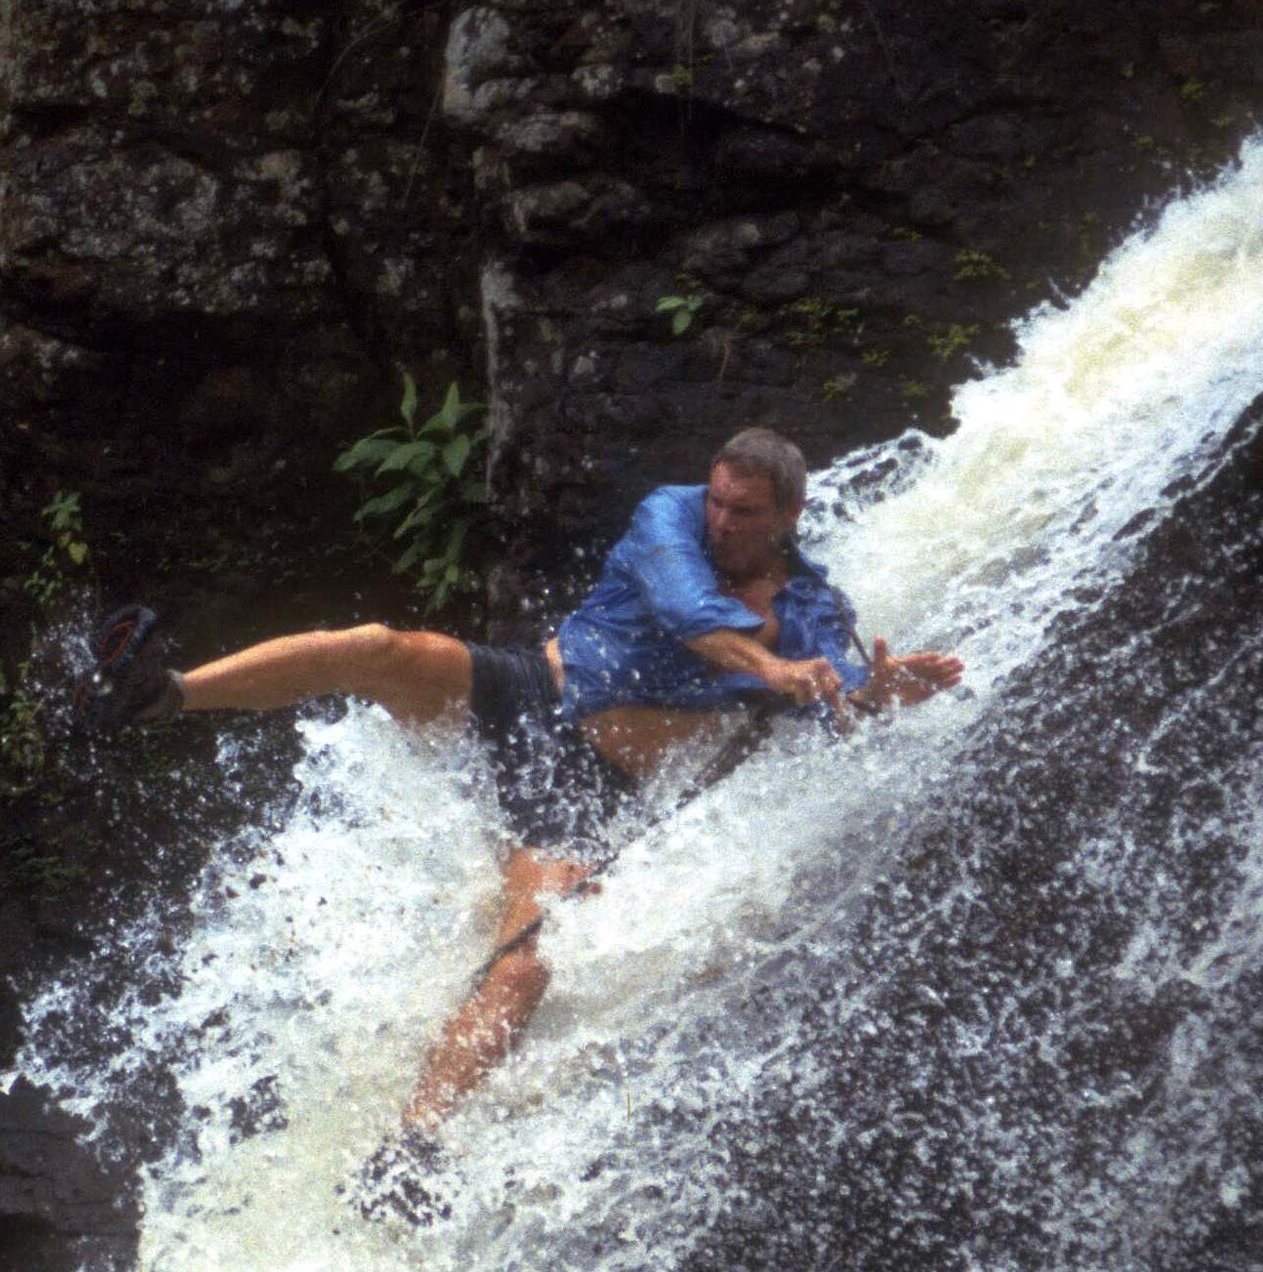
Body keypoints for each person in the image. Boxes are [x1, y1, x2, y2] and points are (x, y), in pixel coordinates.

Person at [81, 428, 962, 1180]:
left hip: (581, 793)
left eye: (745, 514)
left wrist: (878, 690)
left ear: (789, 520)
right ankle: (167, 692)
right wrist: (773, 669)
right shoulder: (669, 515)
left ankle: (410, 1152)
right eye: (720, 502)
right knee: (379, 646)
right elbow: (695, 617)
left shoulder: (811, 604)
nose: (722, 520)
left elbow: (832, 699)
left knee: (525, 965)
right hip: (521, 695)